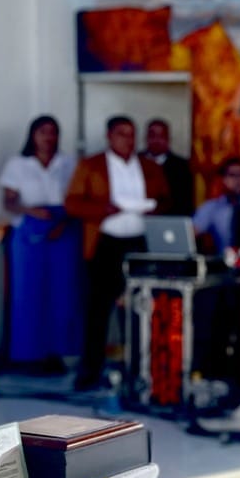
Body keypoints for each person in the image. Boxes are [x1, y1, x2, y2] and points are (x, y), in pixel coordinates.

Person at [66, 116, 170, 391]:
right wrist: (103, 209)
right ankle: (90, 372)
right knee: (98, 310)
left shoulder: (148, 166)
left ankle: (139, 370)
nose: (128, 139)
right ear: (109, 136)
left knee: (139, 308)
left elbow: (165, 199)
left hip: (139, 245)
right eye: (122, 134)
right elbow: (72, 203)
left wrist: (153, 208)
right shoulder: (91, 165)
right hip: (105, 243)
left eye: (132, 134)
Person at [0, 115, 81, 371]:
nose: (48, 137)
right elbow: (9, 202)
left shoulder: (68, 163)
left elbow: (77, 197)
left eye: (53, 132)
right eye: (43, 132)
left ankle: (58, 353)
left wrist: (62, 221)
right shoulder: (18, 164)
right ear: (32, 135)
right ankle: (29, 356)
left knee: (63, 293)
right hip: (29, 230)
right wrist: (31, 211)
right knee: (28, 293)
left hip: (63, 227)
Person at [192, 157, 240, 253]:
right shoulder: (212, 208)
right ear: (222, 179)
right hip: (225, 260)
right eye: (232, 175)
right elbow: (190, 234)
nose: (238, 179)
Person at [142, 118, 194, 215]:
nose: (156, 140)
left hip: (171, 218)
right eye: (152, 135)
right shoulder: (136, 162)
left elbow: (185, 201)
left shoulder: (182, 166)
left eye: (161, 136)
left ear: (168, 139)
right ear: (146, 138)